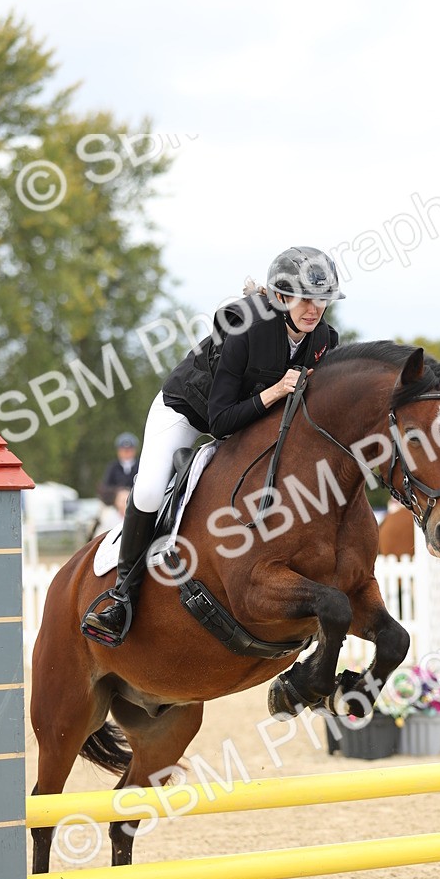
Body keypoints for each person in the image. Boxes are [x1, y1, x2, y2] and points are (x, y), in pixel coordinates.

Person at [81, 246, 344, 646]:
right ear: (281, 297)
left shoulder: (324, 340)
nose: (315, 308)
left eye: (322, 299)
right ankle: (121, 595)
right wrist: (277, 390)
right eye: (306, 298)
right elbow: (219, 421)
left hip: (252, 425)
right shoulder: (245, 328)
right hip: (189, 411)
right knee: (151, 488)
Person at [97, 432, 140, 519]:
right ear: (119, 451)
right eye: (124, 450)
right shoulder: (113, 467)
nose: (126, 452)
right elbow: (105, 487)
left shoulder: (141, 465)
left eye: (129, 450)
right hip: (115, 506)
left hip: (137, 503)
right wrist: (118, 493)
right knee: (102, 517)